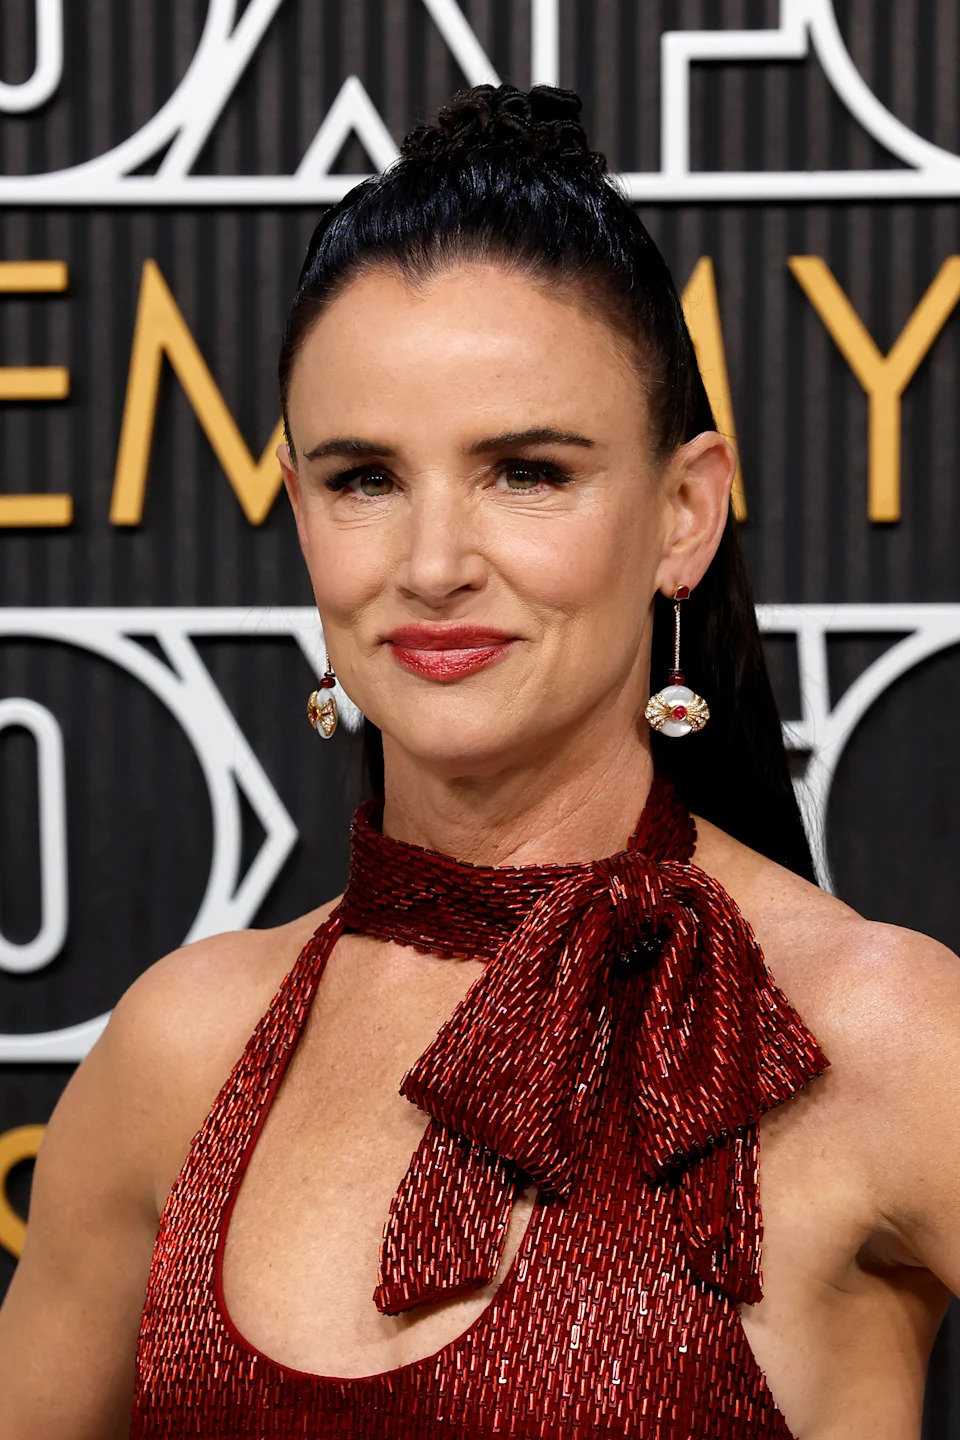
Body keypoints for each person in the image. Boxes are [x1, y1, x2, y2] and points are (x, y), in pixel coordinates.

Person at [0, 81, 958, 1440]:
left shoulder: (883, 1038)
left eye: (527, 470)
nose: (434, 565)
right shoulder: (180, 1049)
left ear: (684, 514)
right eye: (364, 479)